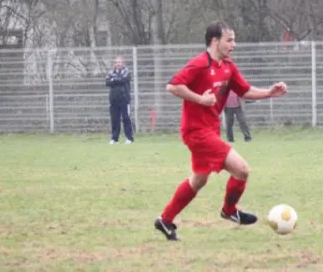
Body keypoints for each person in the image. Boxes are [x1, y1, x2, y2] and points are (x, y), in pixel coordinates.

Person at [154, 21, 288, 241]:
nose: (233, 44)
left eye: (234, 39)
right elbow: (173, 86)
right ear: (215, 41)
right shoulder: (199, 64)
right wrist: (200, 99)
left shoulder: (228, 66)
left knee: (199, 180)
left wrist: (269, 93)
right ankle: (229, 210)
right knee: (242, 169)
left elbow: (244, 90)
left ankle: (165, 220)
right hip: (196, 131)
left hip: (211, 130)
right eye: (229, 40)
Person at [105, 56, 134, 144]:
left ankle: (129, 138)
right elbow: (107, 82)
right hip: (113, 100)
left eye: (120, 62)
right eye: (116, 62)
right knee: (114, 119)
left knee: (126, 118)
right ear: (115, 63)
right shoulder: (110, 72)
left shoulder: (127, 72)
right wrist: (116, 80)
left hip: (124, 99)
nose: (118, 64)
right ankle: (114, 139)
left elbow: (124, 80)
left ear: (122, 63)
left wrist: (114, 80)